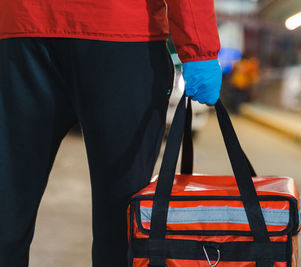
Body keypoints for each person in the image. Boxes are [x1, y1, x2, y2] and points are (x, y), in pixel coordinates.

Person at [0, 1, 222, 267]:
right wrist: (199, 47)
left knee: (8, 199)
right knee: (122, 217)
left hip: (20, 32)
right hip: (119, 33)